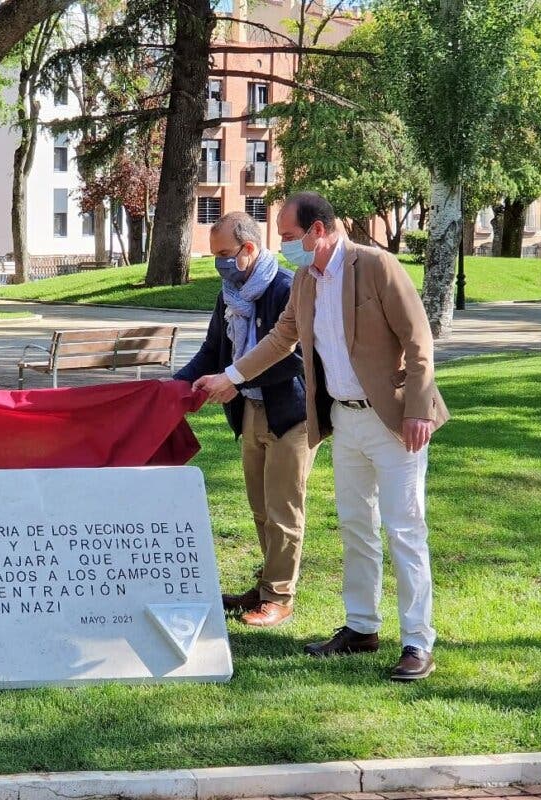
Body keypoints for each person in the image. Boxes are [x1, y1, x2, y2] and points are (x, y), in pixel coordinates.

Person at [194, 192, 449, 682]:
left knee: (404, 529)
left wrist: (418, 410)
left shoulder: (376, 266)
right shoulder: (307, 282)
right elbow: (279, 340)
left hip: (396, 421)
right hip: (345, 419)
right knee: (356, 526)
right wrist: (230, 376)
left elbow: (419, 340)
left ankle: (417, 641)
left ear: (318, 230)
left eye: (289, 237)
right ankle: (361, 627)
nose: (285, 247)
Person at [175, 212, 317, 627]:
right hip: (251, 412)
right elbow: (212, 350)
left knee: (284, 508)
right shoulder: (228, 294)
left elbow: (295, 358)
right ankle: (267, 582)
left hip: (291, 414)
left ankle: (279, 596)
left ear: (249, 248)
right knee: (259, 507)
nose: (217, 262)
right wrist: (173, 387)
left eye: (223, 253)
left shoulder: (286, 289)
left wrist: (235, 381)